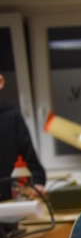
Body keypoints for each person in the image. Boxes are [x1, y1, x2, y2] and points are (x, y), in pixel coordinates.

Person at [0, 73, 47, 201]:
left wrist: (37, 185)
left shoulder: (12, 118)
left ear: (0, 81)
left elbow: (35, 169)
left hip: (9, 204)